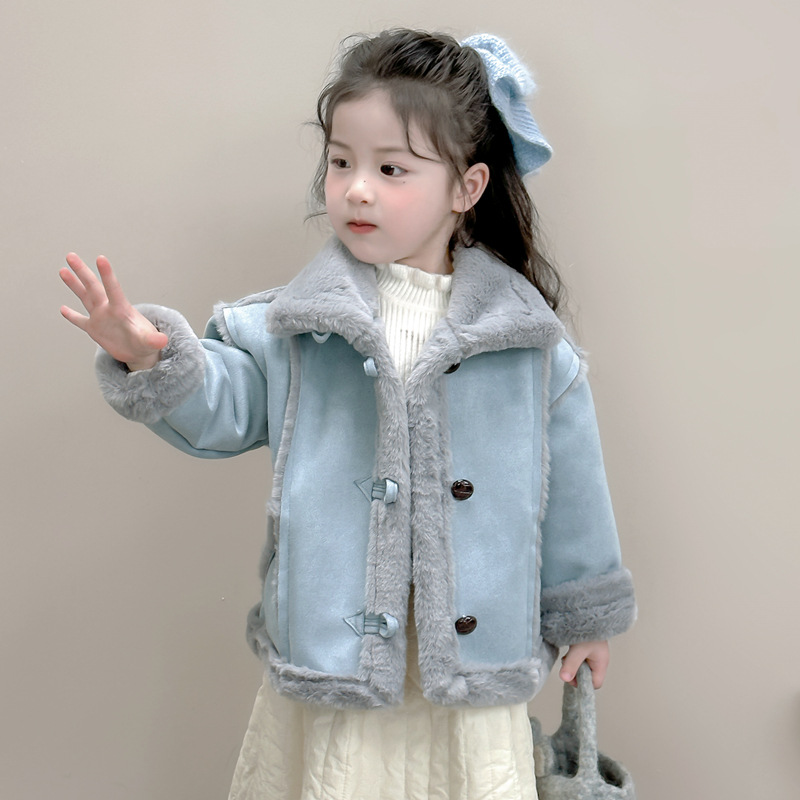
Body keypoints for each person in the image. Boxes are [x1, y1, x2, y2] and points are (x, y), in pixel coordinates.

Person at [60, 29, 635, 800]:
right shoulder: (292, 329)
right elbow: (223, 405)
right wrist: (148, 357)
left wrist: (585, 617)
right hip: (333, 666)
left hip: (467, 674)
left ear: (467, 187)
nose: (356, 188)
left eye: (391, 168)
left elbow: (574, 490)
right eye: (340, 162)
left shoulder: (529, 347)